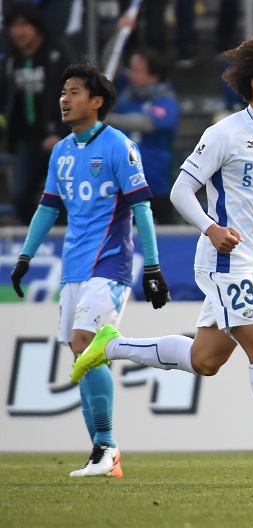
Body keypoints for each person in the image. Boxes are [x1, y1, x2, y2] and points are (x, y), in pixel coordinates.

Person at [70, 35, 253, 481]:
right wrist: (211, 228)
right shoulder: (225, 133)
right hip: (225, 263)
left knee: (206, 359)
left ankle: (111, 344)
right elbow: (181, 190)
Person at [9, 62, 171, 478]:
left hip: (111, 262)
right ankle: (104, 453)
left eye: (74, 91)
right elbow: (48, 207)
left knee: (86, 343)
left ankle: (105, 447)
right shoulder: (61, 151)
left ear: (96, 101)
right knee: (82, 354)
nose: (64, 98)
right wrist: (26, 256)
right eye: (63, 91)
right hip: (73, 267)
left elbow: (141, 207)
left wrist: (151, 266)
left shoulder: (119, 146)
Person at [0, 3, 76, 224]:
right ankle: (37, 237)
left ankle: (63, 244)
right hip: (28, 142)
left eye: (24, 25)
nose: (18, 32)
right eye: (14, 26)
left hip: (61, 142)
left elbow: (77, 94)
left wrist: (61, 132)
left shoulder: (58, 53)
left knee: (62, 200)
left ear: (36, 27)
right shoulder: (13, 60)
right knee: (20, 196)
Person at [105, 48, 180, 223]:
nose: (130, 74)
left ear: (154, 75)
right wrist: (119, 33)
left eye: (137, 70)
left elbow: (149, 123)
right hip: (124, 183)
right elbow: (107, 67)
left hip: (156, 184)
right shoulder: (127, 95)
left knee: (163, 236)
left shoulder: (166, 100)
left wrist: (108, 119)